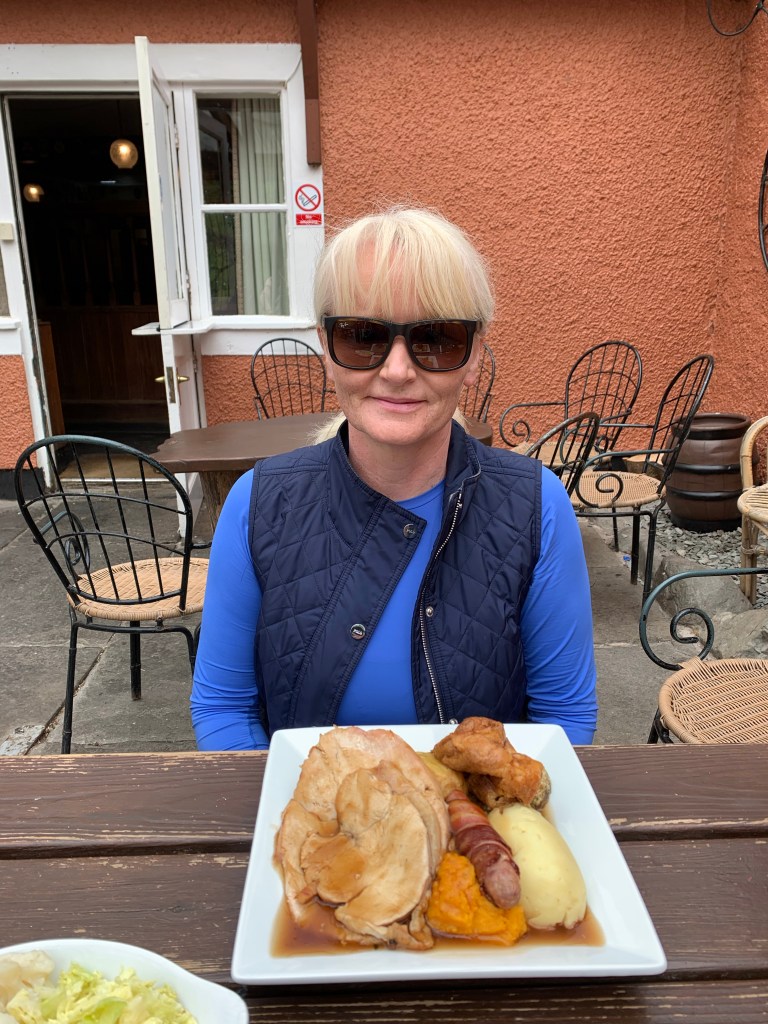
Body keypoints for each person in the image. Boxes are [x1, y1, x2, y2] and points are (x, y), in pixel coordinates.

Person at [191, 205, 597, 749]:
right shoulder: (258, 504)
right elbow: (223, 708)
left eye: (436, 338)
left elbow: (563, 718)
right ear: (326, 347)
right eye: (363, 336)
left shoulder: (536, 506)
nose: (398, 370)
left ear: (475, 355)